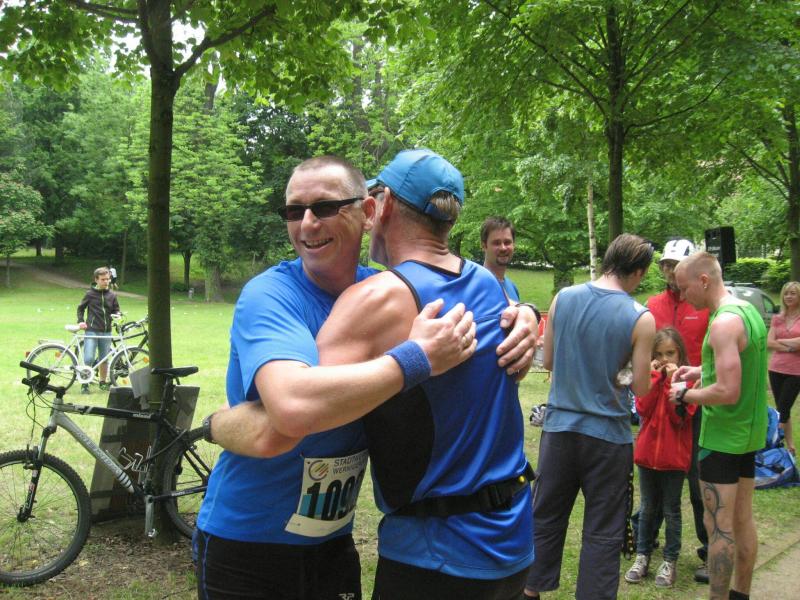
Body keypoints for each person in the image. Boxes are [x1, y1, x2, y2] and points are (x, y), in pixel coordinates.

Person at [195, 154, 538, 600]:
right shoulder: (272, 295)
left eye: (325, 207)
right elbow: (286, 419)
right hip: (250, 542)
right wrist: (214, 424)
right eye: (294, 211)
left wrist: (525, 314)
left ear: (375, 209)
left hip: (333, 541)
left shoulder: (379, 292)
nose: (307, 223)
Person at [524, 233, 656, 600]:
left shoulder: (563, 298)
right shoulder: (640, 317)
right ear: (639, 272)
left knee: (545, 518)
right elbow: (641, 386)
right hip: (608, 439)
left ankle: (529, 591)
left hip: (559, 431)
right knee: (603, 531)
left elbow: (550, 361)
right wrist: (622, 372)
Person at [670, 252, 768, 600]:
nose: (683, 297)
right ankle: (741, 594)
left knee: (719, 528)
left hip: (722, 438)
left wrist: (685, 394)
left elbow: (728, 391)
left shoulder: (723, 323)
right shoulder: (747, 311)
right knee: (742, 520)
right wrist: (701, 370)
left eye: (685, 288)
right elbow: (741, 358)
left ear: (704, 281)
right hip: (747, 435)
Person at [644, 238, 710, 583]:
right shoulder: (653, 304)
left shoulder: (704, 305)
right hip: (659, 403)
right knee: (655, 472)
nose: (670, 271)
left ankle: (709, 550)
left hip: (697, 404)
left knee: (698, 481)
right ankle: (646, 540)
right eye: (666, 265)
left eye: (676, 265)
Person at [624, 327, 696, 588]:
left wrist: (671, 381)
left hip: (673, 459)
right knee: (647, 508)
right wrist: (654, 377)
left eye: (670, 353)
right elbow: (643, 408)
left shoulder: (687, 382)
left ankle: (669, 561)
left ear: (680, 354)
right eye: (659, 354)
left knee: (671, 509)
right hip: (647, 456)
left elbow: (679, 417)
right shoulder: (649, 377)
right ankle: (642, 556)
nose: (665, 359)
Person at [766, 280, 800, 454]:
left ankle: (775, 443)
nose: (789, 296)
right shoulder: (777, 318)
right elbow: (769, 343)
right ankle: (791, 445)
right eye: (786, 293)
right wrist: (791, 346)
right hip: (776, 369)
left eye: (793, 293)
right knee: (782, 409)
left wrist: (781, 341)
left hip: (796, 371)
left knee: (783, 409)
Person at [76, 266, 121, 394]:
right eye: (103, 279)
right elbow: (80, 308)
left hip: (106, 331)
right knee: (89, 358)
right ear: (96, 280)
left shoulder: (112, 295)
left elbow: (116, 309)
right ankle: (85, 383)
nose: (106, 282)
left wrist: (118, 315)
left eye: (107, 279)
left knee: (104, 359)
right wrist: (81, 321)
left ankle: (102, 382)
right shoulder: (90, 294)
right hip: (92, 330)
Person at [481, 216, 520, 301]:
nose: (503, 248)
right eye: (496, 243)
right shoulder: (476, 286)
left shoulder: (512, 288)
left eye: (507, 242)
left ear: (514, 245)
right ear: (484, 246)